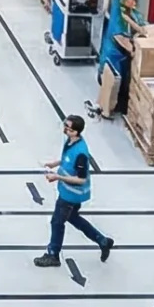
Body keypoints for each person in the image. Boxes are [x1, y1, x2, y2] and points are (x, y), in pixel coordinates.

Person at [34, 115, 114, 268]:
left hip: (71, 195)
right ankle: (102, 241)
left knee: (57, 222)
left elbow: (81, 179)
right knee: (73, 218)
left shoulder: (81, 152)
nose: (65, 129)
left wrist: (57, 177)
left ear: (76, 132)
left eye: (68, 128)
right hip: (68, 192)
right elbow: (67, 159)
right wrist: (54, 164)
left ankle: (53, 254)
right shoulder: (71, 142)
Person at [98, 0, 144, 119]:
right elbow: (120, 37)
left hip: (121, 55)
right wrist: (132, 50)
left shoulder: (126, 11)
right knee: (114, 81)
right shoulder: (118, 19)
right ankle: (110, 108)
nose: (133, 3)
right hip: (114, 56)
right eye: (131, 0)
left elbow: (138, 24)